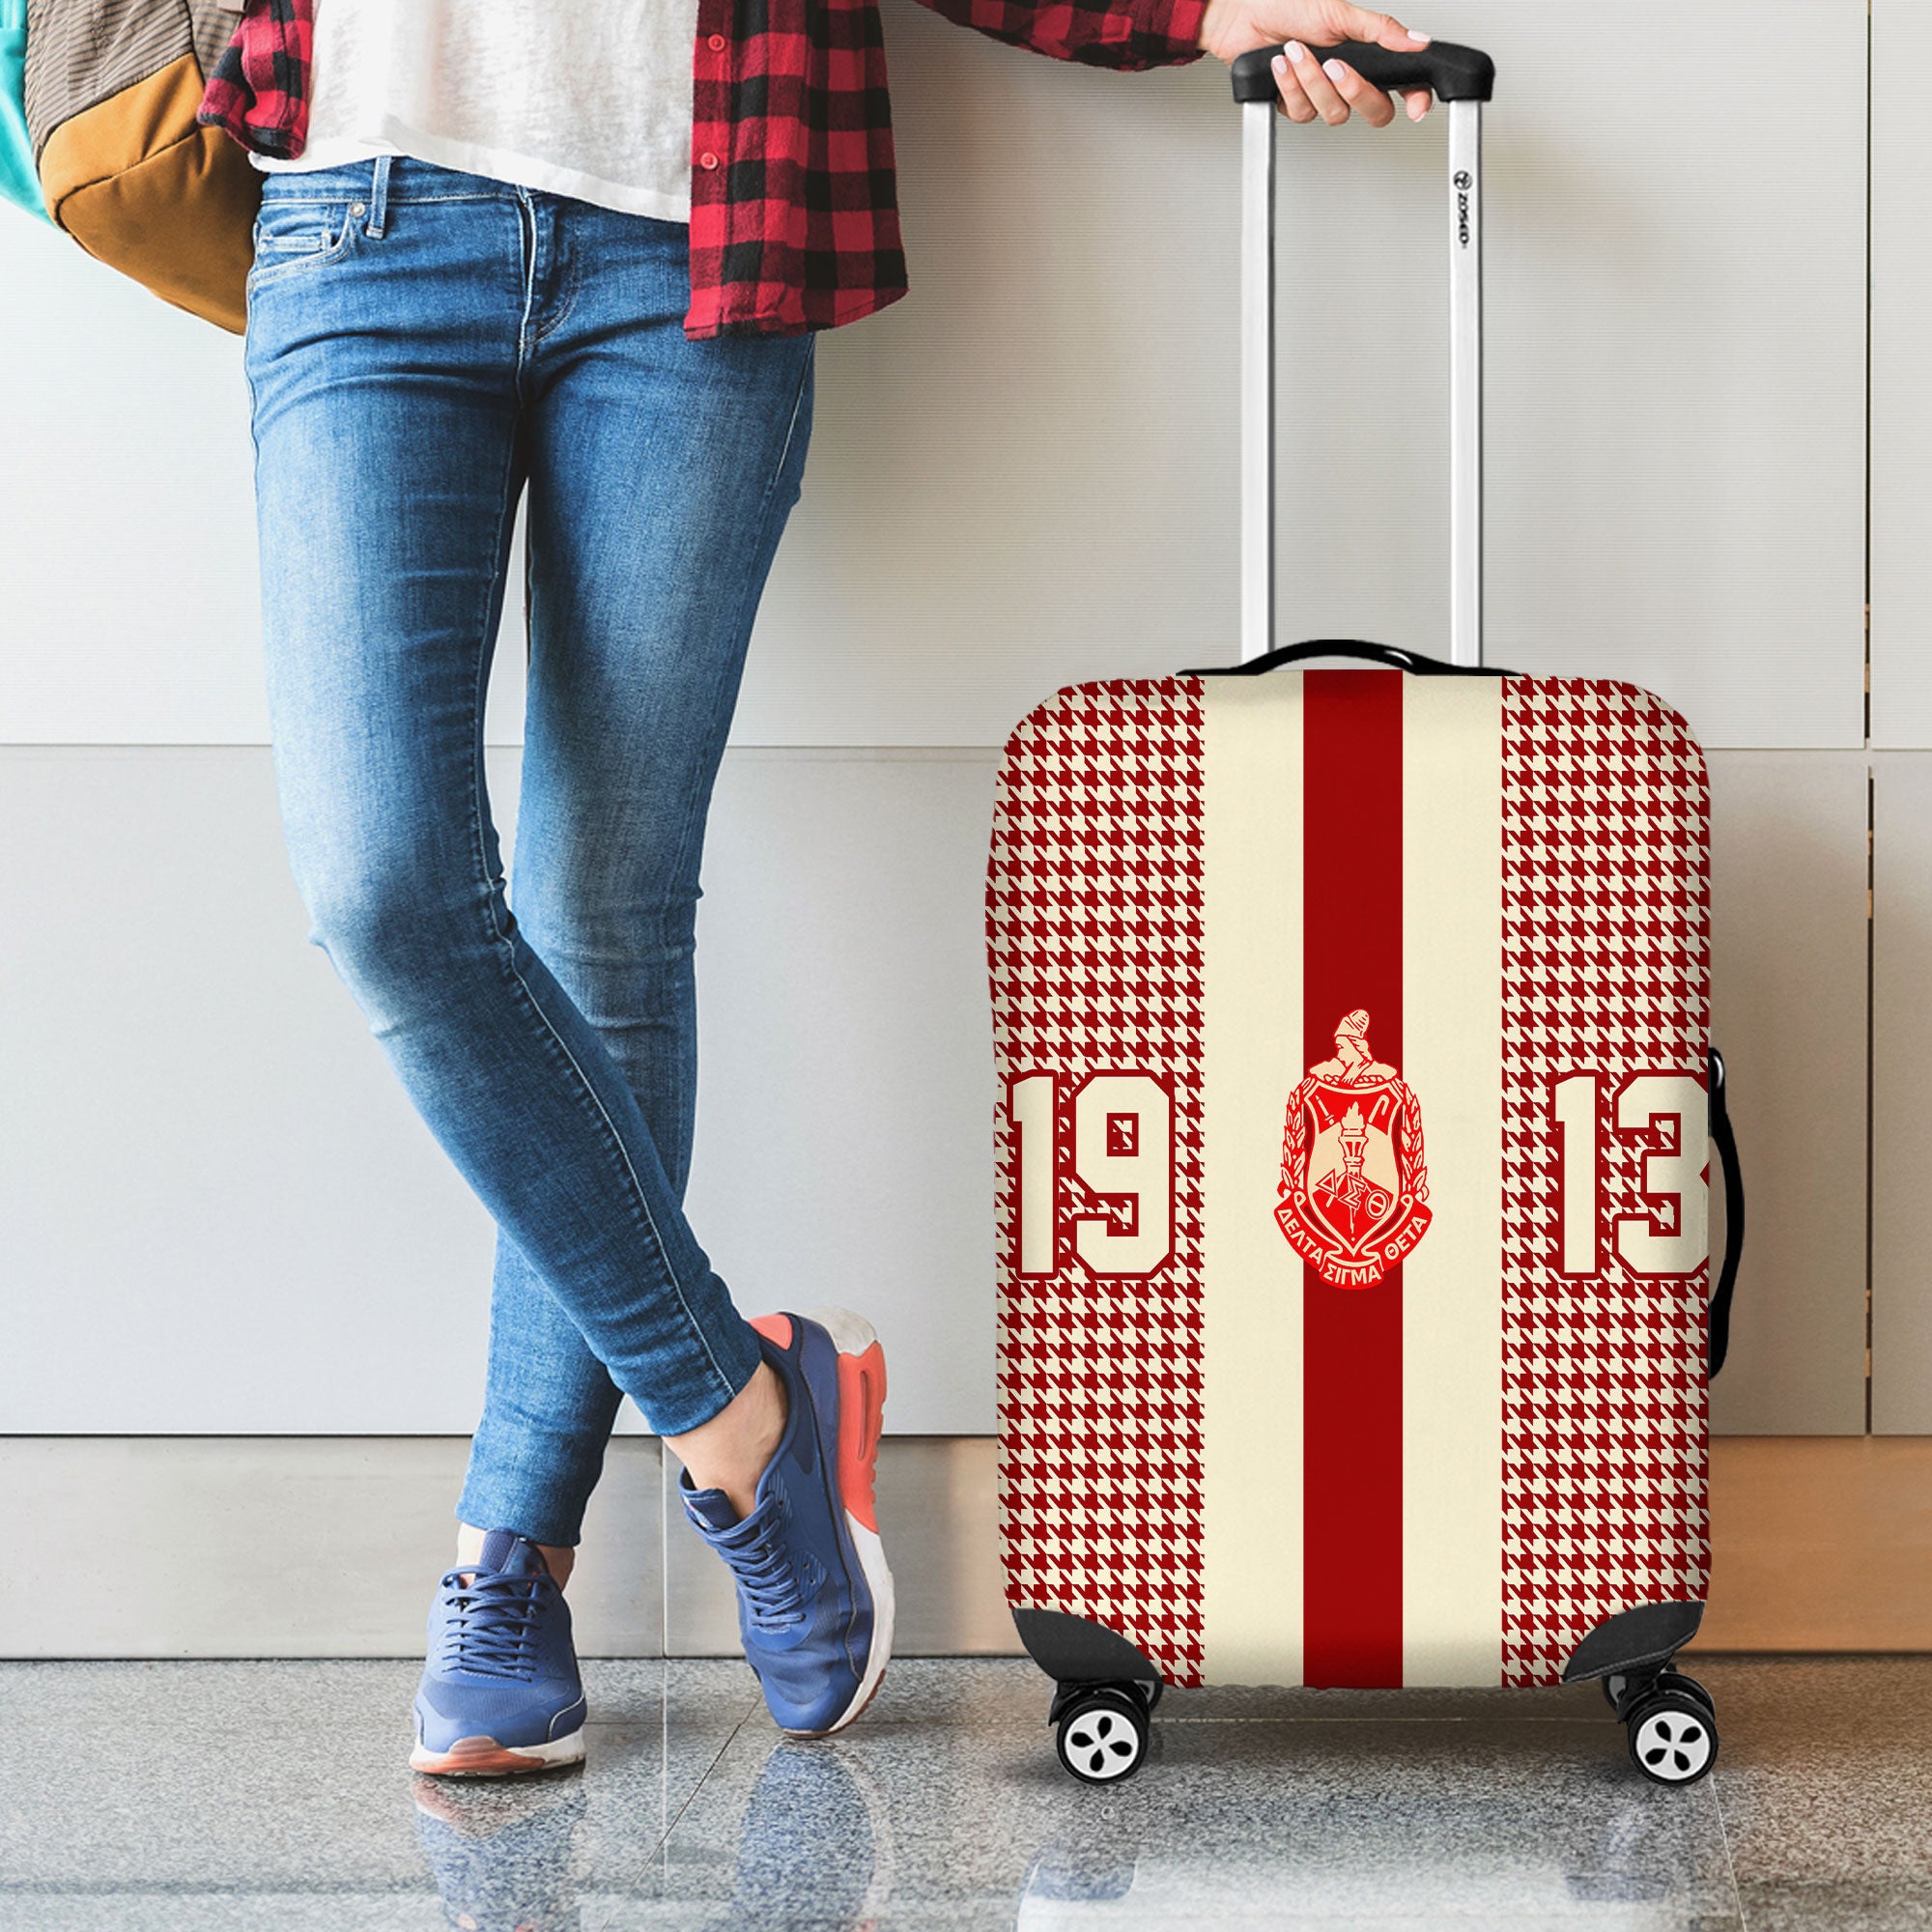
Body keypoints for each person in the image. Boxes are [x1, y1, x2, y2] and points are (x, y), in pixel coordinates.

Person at [224, 0, 1435, 1776]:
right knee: (385, 889)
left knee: (607, 913)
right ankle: (743, 1411)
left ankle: (514, 1562)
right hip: (360, 215)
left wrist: (1198, 9)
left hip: (690, 237)